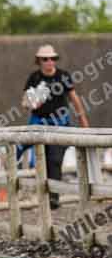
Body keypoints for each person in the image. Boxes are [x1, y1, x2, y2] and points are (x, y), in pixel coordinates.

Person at [20, 44, 90, 209]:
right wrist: (32, 102)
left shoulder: (63, 76)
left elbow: (74, 98)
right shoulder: (34, 78)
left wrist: (83, 120)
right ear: (39, 61)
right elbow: (24, 102)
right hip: (39, 124)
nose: (50, 62)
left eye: (52, 59)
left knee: (55, 159)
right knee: (39, 158)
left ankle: (53, 197)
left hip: (60, 124)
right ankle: (42, 194)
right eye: (45, 59)